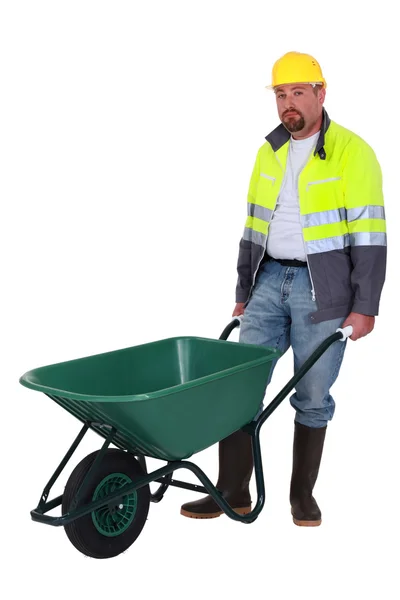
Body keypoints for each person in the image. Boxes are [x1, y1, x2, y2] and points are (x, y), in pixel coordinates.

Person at [180, 51, 387, 526]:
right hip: (269, 279)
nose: (288, 103)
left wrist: (365, 305)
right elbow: (252, 225)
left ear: (320, 93)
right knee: (238, 386)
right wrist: (243, 287)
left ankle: (301, 496)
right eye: (280, 94)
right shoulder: (267, 151)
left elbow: (370, 236)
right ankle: (232, 490)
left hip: (324, 289)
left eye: (297, 92)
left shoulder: (353, 152)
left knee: (313, 393)